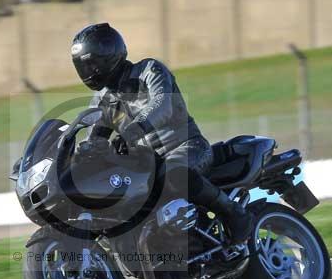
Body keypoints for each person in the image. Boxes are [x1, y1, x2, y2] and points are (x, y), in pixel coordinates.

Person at [70, 23, 253, 244]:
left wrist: (133, 128)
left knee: (173, 174)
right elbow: (94, 137)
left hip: (187, 148)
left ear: (109, 55)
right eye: (83, 66)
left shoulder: (149, 70)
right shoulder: (103, 99)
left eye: (92, 64)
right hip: (146, 166)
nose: (89, 72)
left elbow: (162, 104)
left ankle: (234, 213)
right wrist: (78, 153)